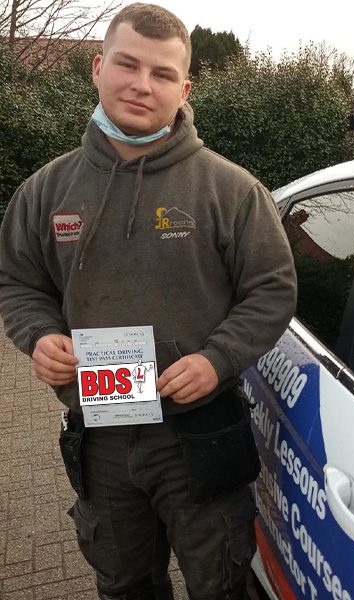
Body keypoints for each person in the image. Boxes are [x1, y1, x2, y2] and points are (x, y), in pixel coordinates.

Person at [0, 4, 297, 599]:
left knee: (220, 585)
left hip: (201, 434)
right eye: (126, 64)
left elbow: (272, 289)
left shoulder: (232, 190)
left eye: (162, 73)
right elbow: (18, 283)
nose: (141, 84)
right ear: (97, 68)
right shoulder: (46, 190)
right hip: (100, 432)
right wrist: (38, 336)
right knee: (125, 585)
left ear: (184, 88)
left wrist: (218, 358)